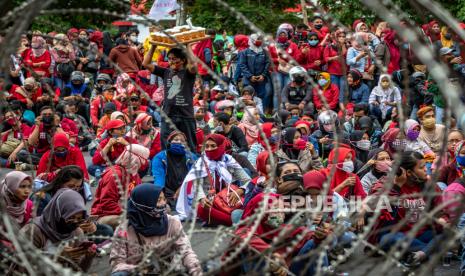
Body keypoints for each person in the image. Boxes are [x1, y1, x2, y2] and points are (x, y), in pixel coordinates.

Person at [110, 184, 202, 275]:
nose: (164, 203)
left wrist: (195, 269)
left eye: (164, 199)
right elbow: (117, 263)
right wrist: (139, 270)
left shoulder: (172, 223)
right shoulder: (124, 230)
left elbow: (186, 252)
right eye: (158, 200)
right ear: (143, 204)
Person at [226, 192, 329, 275]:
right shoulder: (246, 230)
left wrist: (320, 235)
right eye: (274, 209)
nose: (280, 214)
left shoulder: (283, 229)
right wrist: (271, 255)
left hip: (288, 271)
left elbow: (307, 234)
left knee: (314, 244)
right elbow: (243, 237)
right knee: (252, 253)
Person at [378, 151, 443, 267]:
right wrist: (397, 187)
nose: (426, 170)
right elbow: (386, 218)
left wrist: (442, 220)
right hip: (399, 236)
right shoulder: (388, 185)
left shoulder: (429, 185)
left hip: (422, 234)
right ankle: (430, 251)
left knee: (449, 232)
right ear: (408, 172)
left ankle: (419, 254)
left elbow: (442, 211)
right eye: (422, 167)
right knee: (387, 239)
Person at [176, 134, 251, 226]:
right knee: (201, 209)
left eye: (213, 146)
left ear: (221, 146)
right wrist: (202, 198)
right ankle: (238, 221)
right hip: (210, 202)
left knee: (252, 199)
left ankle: (228, 220)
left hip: (228, 200)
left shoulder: (229, 160)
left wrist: (241, 190)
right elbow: (196, 184)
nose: (209, 149)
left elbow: (248, 181)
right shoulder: (200, 162)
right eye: (206, 146)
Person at [20, 188, 95, 272]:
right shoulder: (33, 231)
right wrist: (57, 257)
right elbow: (22, 267)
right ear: (58, 213)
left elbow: (77, 271)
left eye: (79, 219)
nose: (75, 222)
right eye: (70, 218)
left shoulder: (76, 233)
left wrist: (88, 258)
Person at [143, 46, 198, 152]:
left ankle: (191, 166)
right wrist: (153, 46)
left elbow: (194, 66)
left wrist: (187, 46)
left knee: (190, 146)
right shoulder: (166, 72)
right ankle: (168, 166)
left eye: (174, 59)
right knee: (166, 146)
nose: (171, 61)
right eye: (169, 58)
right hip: (168, 115)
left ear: (182, 60)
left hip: (186, 115)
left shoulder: (189, 73)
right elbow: (146, 64)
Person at [91, 144, 150, 229]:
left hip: (126, 210)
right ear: (134, 159)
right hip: (105, 215)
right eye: (144, 160)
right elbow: (107, 203)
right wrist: (132, 212)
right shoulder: (114, 175)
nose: (145, 163)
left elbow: (139, 197)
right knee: (133, 221)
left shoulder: (133, 174)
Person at [152, 131, 198, 209]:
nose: (179, 142)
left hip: (186, 190)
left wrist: (183, 188)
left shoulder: (192, 157)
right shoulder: (160, 157)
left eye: (182, 140)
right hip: (166, 191)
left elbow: (194, 177)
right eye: (176, 139)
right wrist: (159, 193)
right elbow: (158, 176)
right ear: (169, 141)